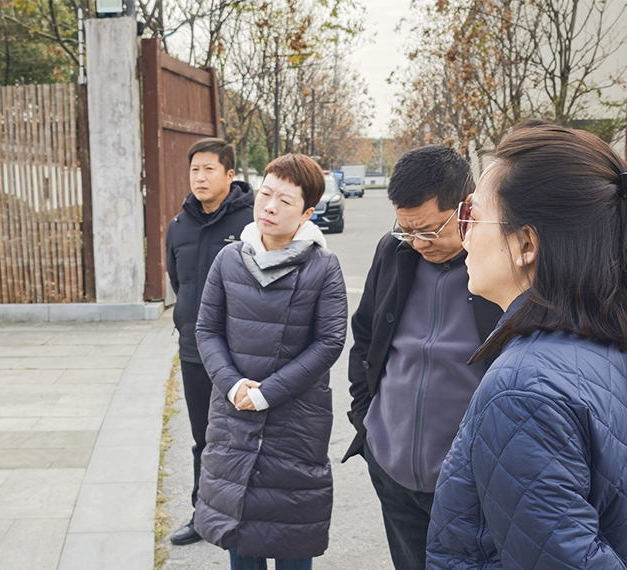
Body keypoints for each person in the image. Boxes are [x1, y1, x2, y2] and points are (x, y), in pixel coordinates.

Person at [427, 123, 627, 568]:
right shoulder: (599, 340)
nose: (463, 235)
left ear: (526, 244)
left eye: (472, 216)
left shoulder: (523, 389)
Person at [342, 146, 503, 570]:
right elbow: (365, 337)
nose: (417, 243)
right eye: (406, 229)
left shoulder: (503, 261)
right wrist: (365, 420)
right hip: (390, 468)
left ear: (467, 209)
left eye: (429, 231)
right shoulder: (393, 252)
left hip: (470, 485)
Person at [193, 153, 347, 569]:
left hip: (295, 419)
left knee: (292, 532)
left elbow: (329, 342)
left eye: (285, 201)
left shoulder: (323, 267)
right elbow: (207, 330)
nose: (270, 207)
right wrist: (232, 385)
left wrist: (268, 393)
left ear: (307, 213)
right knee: (240, 535)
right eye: (265, 194)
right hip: (235, 412)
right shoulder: (229, 258)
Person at [166, 137, 254, 546]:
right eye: (194, 170)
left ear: (229, 174)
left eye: (209, 169)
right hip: (194, 351)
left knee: (245, 436)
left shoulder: (251, 223)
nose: (199, 177)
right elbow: (178, 282)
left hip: (242, 353)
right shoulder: (179, 226)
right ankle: (203, 515)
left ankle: (248, 511)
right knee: (203, 437)